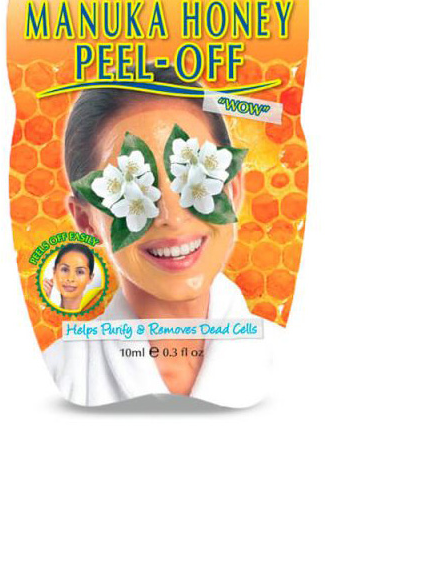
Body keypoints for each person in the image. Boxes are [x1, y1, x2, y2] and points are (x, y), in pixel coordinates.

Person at [43, 66, 283, 407]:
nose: (171, 217)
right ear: (86, 219)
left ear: (232, 188)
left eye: (196, 176)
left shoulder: (290, 360)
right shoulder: (56, 376)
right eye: (130, 190)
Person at [46, 243, 103, 312]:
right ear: (54, 272)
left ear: (90, 278)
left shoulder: (100, 314)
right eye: (65, 270)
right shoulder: (44, 310)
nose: (70, 279)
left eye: (80, 272)